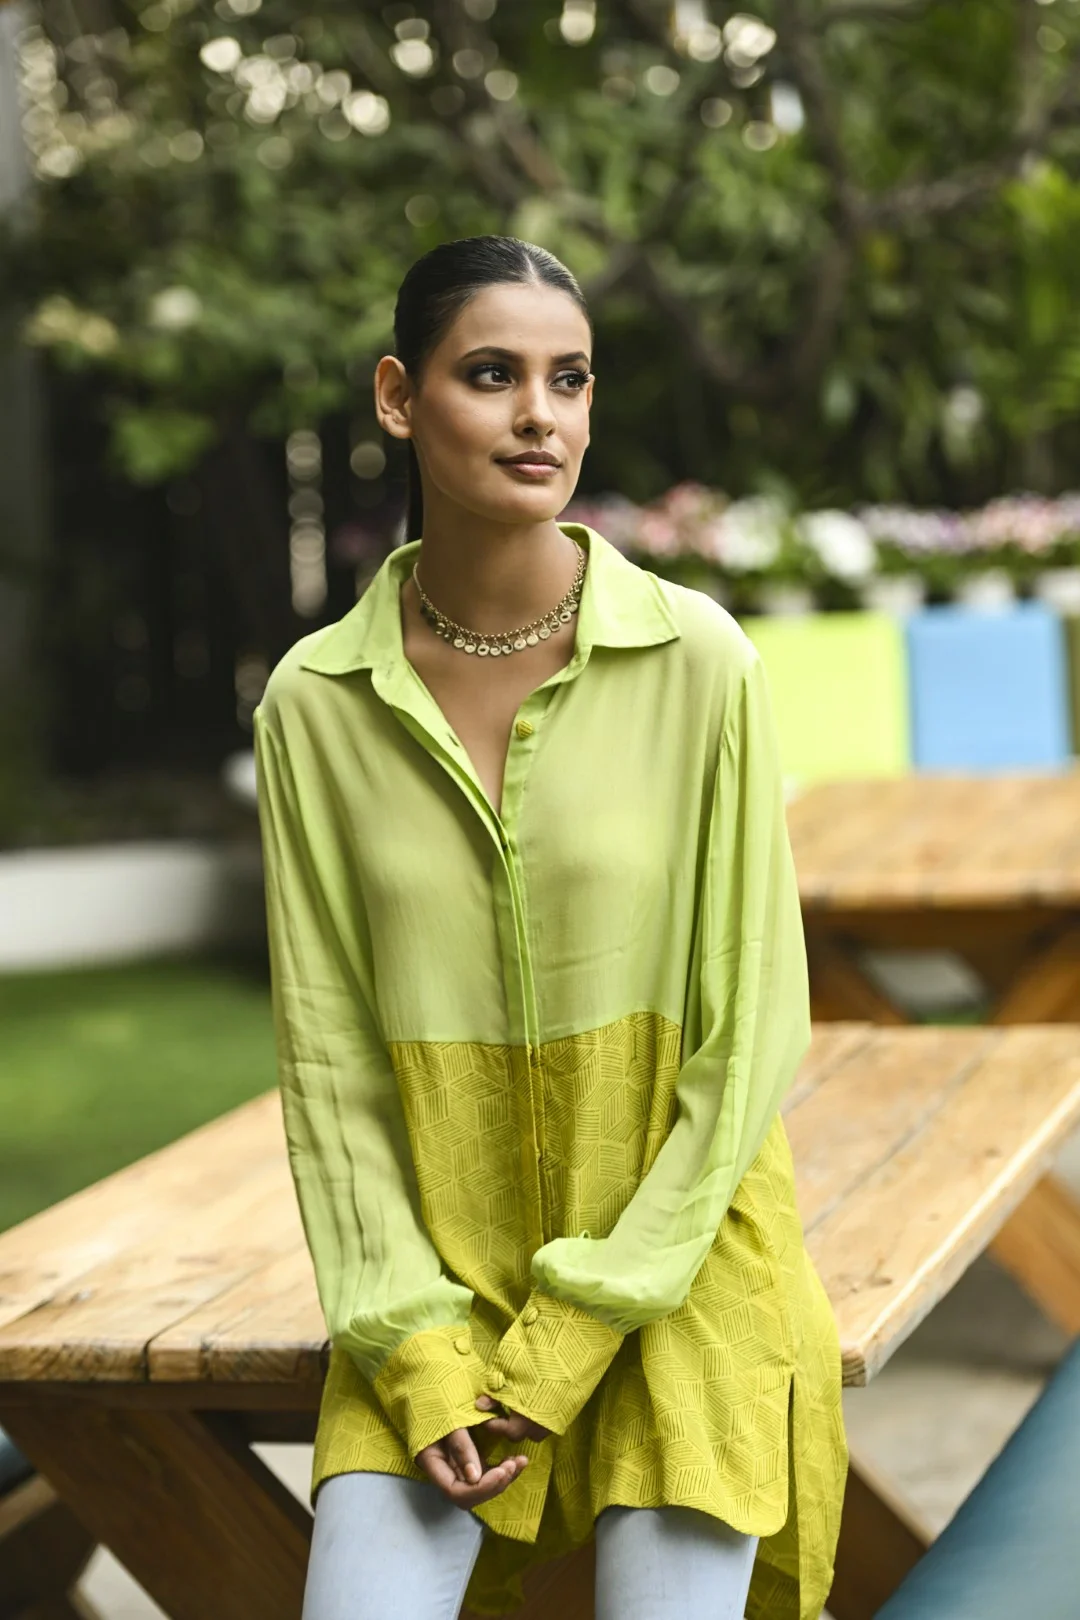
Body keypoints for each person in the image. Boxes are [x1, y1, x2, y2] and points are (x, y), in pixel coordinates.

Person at [253, 235, 848, 1620]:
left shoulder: (699, 662)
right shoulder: (314, 706)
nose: (541, 416)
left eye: (569, 379)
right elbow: (331, 1067)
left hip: (678, 1274)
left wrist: (584, 1322)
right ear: (398, 398)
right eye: (492, 375)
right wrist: (410, 1346)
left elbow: (750, 1034)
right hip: (435, 1287)